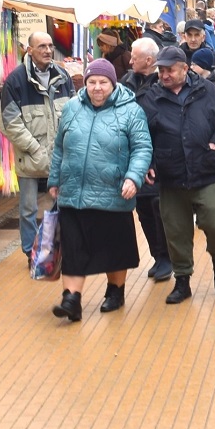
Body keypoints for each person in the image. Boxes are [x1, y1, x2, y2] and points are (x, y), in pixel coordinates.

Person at [46, 59, 152, 321]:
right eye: (92, 82)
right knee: (73, 249)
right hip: (74, 193)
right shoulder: (71, 108)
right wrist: (54, 179)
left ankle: (115, 291)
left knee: (114, 248)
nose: (97, 87)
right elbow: (60, 147)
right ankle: (71, 300)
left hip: (113, 192)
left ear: (113, 84)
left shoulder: (131, 111)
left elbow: (142, 148)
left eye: (103, 82)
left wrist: (133, 177)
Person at [138, 46, 215, 304]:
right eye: (161, 70)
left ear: (185, 68)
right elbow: (140, 136)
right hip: (170, 177)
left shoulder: (206, 91)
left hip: (205, 171)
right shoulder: (151, 97)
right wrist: (147, 162)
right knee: (176, 231)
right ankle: (183, 281)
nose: (164, 75)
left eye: (170, 69)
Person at [0, 31, 75, 266]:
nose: (48, 51)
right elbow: (8, 122)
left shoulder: (63, 76)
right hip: (30, 157)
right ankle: (30, 254)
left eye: (50, 46)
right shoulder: (16, 80)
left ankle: (58, 249)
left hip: (60, 157)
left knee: (62, 205)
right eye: (42, 46)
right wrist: (33, 148)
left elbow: (74, 113)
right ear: (29, 50)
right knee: (28, 209)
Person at [120, 38, 172, 282]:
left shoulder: (164, 82)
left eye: (134, 57)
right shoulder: (126, 82)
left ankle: (166, 257)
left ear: (149, 60)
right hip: (133, 155)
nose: (130, 61)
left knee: (159, 207)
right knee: (142, 208)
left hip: (160, 152)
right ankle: (157, 255)